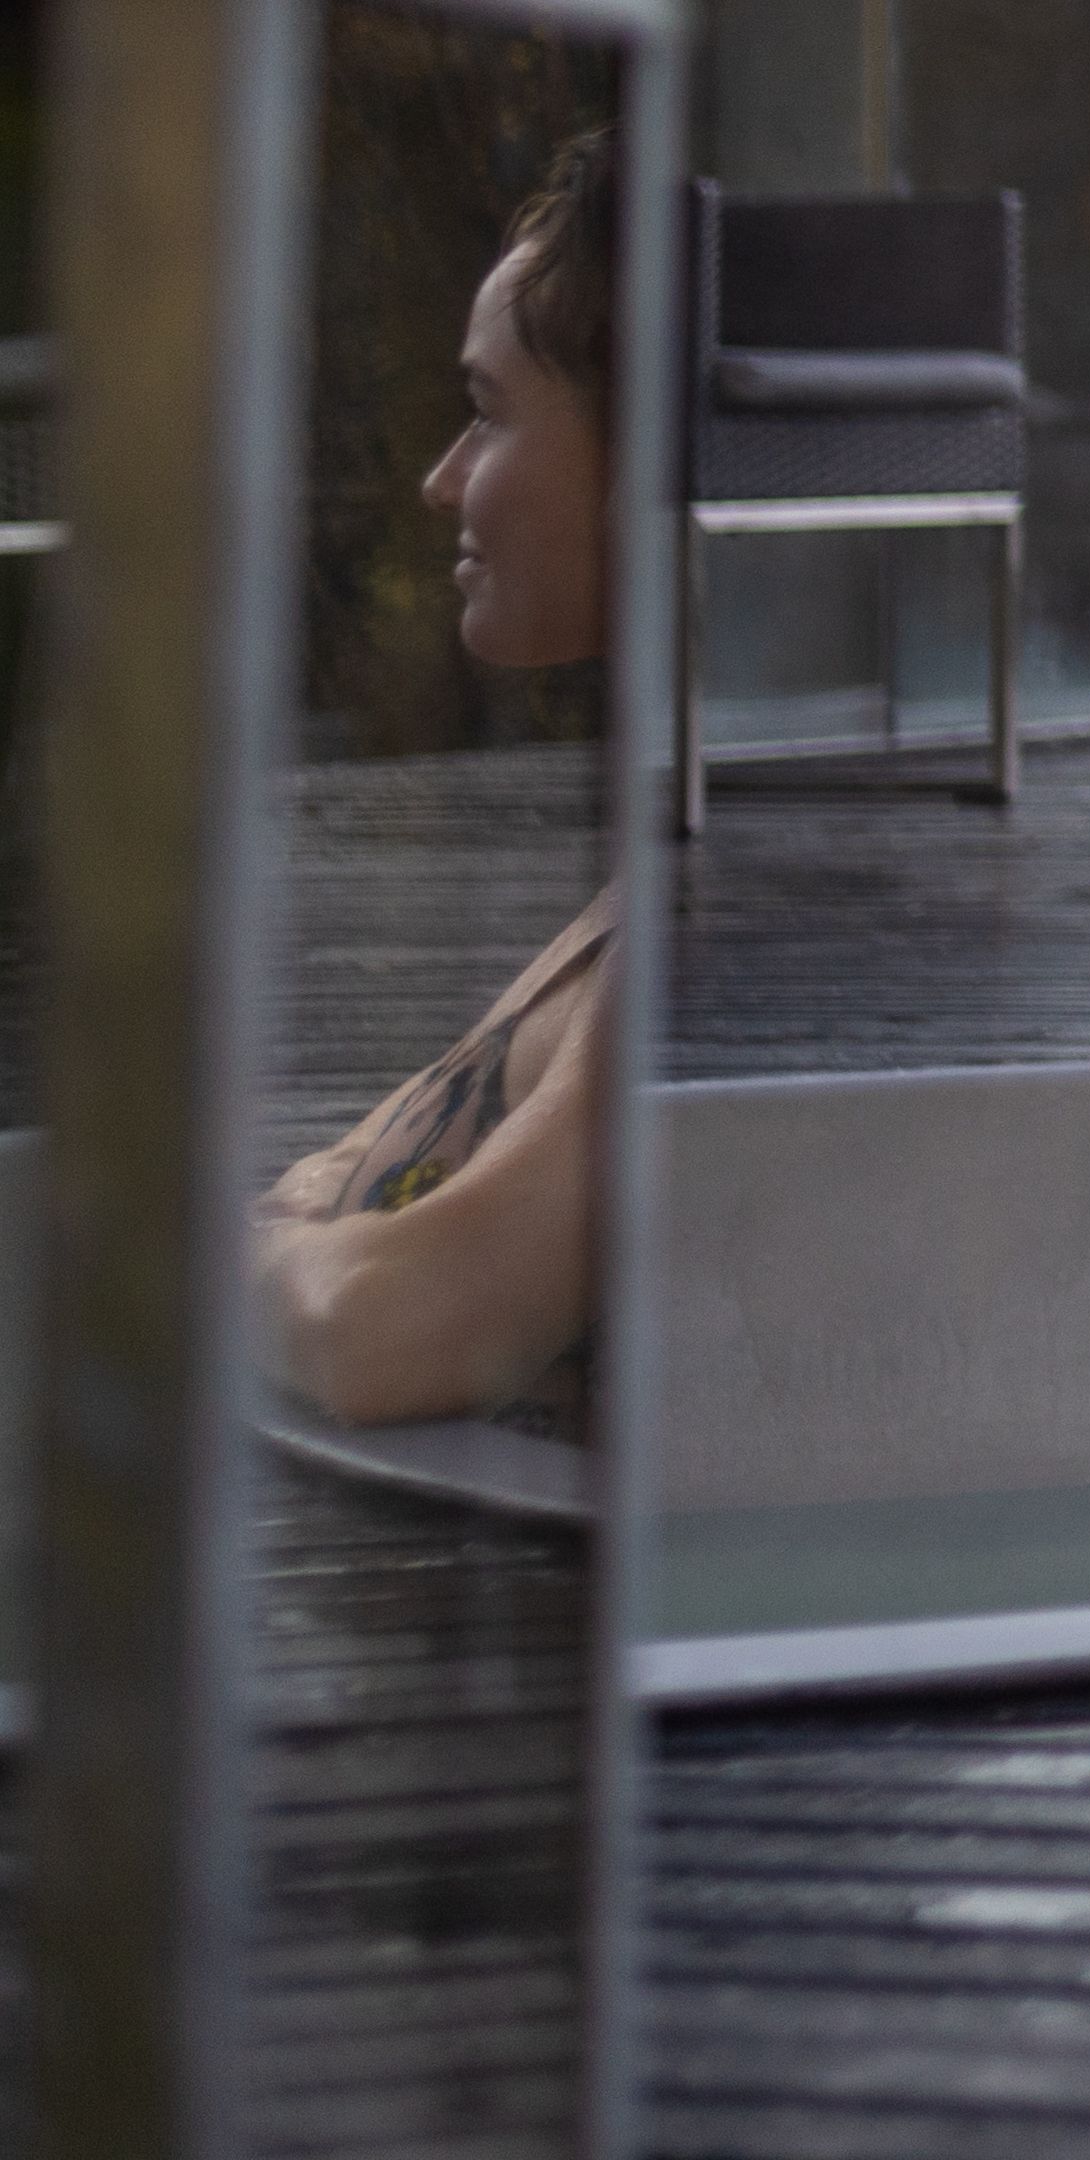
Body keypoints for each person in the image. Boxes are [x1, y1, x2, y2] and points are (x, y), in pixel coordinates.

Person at [251, 133, 624, 1431]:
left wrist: (226, 1252)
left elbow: (390, 1329)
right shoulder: (662, 879)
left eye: (489, 414)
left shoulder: (709, 926)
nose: (440, 482)